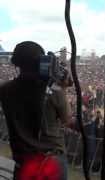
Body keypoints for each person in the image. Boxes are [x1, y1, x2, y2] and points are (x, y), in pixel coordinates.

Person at [0, 41, 71, 179]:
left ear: (16, 63)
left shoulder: (4, 90)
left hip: (23, 162)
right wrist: (62, 88)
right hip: (50, 162)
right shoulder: (53, 90)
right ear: (41, 62)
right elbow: (67, 119)